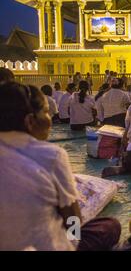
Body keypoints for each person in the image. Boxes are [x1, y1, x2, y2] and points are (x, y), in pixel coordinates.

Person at [0, 82, 121, 251]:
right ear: (30, 121)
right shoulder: (50, 155)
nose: (50, 119)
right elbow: (71, 216)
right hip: (48, 245)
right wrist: (73, 244)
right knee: (109, 226)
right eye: (46, 112)